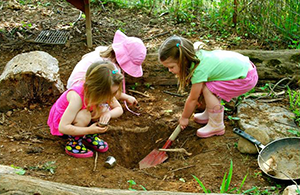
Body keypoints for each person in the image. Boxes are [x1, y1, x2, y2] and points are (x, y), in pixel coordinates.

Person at [158, 36, 258, 138]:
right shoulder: (196, 55)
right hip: (245, 69)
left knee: (208, 89)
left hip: (245, 78)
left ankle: (216, 125)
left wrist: (184, 118)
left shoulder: (199, 69)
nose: (169, 70)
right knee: (207, 86)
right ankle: (210, 114)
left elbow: (193, 98)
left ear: (183, 60)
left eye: (171, 67)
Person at [47, 61, 124, 158]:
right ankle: (74, 143)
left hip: (80, 122)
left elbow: (118, 109)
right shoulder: (77, 97)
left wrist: (108, 114)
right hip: (63, 124)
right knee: (84, 115)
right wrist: (89, 130)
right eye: (108, 95)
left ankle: (88, 137)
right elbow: (63, 127)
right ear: (96, 89)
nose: (110, 97)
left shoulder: (106, 90)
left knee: (104, 110)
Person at [67, 30, 147, 111]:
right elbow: (109, 91)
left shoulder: (102, 51)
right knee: (105, 109)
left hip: (72, 88)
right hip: (82, 94)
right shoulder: (112, 68)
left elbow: (84, 56)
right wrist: (125, 97)